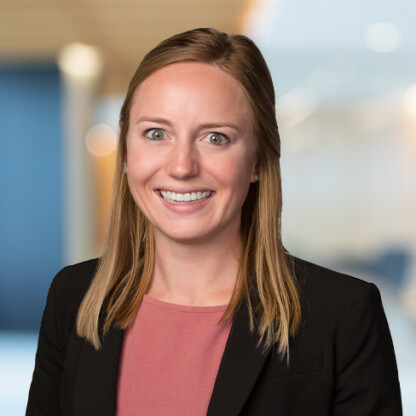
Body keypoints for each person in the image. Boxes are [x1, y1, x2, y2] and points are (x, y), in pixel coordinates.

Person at [26, 28, 402, 416]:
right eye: (156, 133)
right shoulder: (73, 298)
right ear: (125, 151)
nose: (181, 166)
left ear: (257, 159)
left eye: (215, 138)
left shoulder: (343, 314)